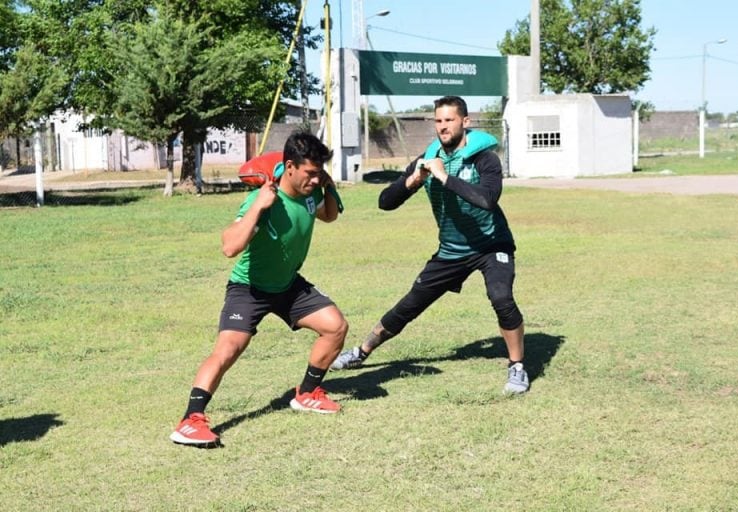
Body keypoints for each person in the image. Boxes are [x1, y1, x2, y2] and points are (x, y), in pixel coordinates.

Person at [330, 95, 529, 395]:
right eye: (438, 121)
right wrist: (411, 181)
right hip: (451, 251)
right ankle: (362, 351)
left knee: (501, 297)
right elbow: (385, 202)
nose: (443, 127)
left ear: (465, 121)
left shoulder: (485, 158)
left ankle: (517, 366)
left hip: (492, 245)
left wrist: (444, 176)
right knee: (409, 305)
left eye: (449, 120)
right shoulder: (429, 156)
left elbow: (488, 200)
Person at [171, 132, 348, 447]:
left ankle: (307, 393)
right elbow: (229, 247)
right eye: (310, 173)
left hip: (288, 284)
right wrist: (259, 207)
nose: (314, 178)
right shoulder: (263, 199)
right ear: (290, 167)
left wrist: (328, 185)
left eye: (319, 172)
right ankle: (190, 419)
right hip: (249, 288)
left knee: (335, 327)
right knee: (228, 349)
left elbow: (329, 215)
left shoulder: (311, 191)